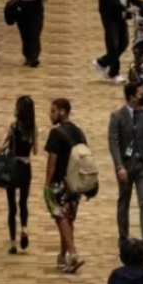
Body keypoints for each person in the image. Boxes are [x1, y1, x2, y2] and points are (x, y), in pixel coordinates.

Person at [108, 81, 143, 251]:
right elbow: (114, 143)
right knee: (124, 201)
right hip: (126, 165)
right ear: (131, 97)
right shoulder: (117, 117)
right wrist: (119, 166)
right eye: (140, 94)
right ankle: (123, 237)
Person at [43, 98, 87, 273]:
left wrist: (47, 184)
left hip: (59, 182)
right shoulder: (79, 132)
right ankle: (63, 256)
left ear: (62, 112)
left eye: (53, 111)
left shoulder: (56, 133)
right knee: (68, 219)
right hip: (75, 183)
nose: (50, 114)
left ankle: (73, 252)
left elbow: (52, 160)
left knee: (60, 216)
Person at [94, 0, 143, 84]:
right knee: (113, 44)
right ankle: (114, 73)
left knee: (124, 42)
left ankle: (102, 62)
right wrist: (124, 8)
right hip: (110, 16)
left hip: (121, 15)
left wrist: (140, 3)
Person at [3, 95, 36, 255]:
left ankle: (13, 244)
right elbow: (35, 151)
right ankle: (24, 228)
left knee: (11, 206)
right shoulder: (33, 129)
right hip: (26, 167)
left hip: (13, 167)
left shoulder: (13, 126)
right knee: (23, 202)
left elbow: (0, 144)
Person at [10, 0, 48, 68]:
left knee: (35, 32)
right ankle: (27, 55)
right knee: (25, 33)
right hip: (23, 7)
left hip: (35, 7)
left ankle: (34, 57)